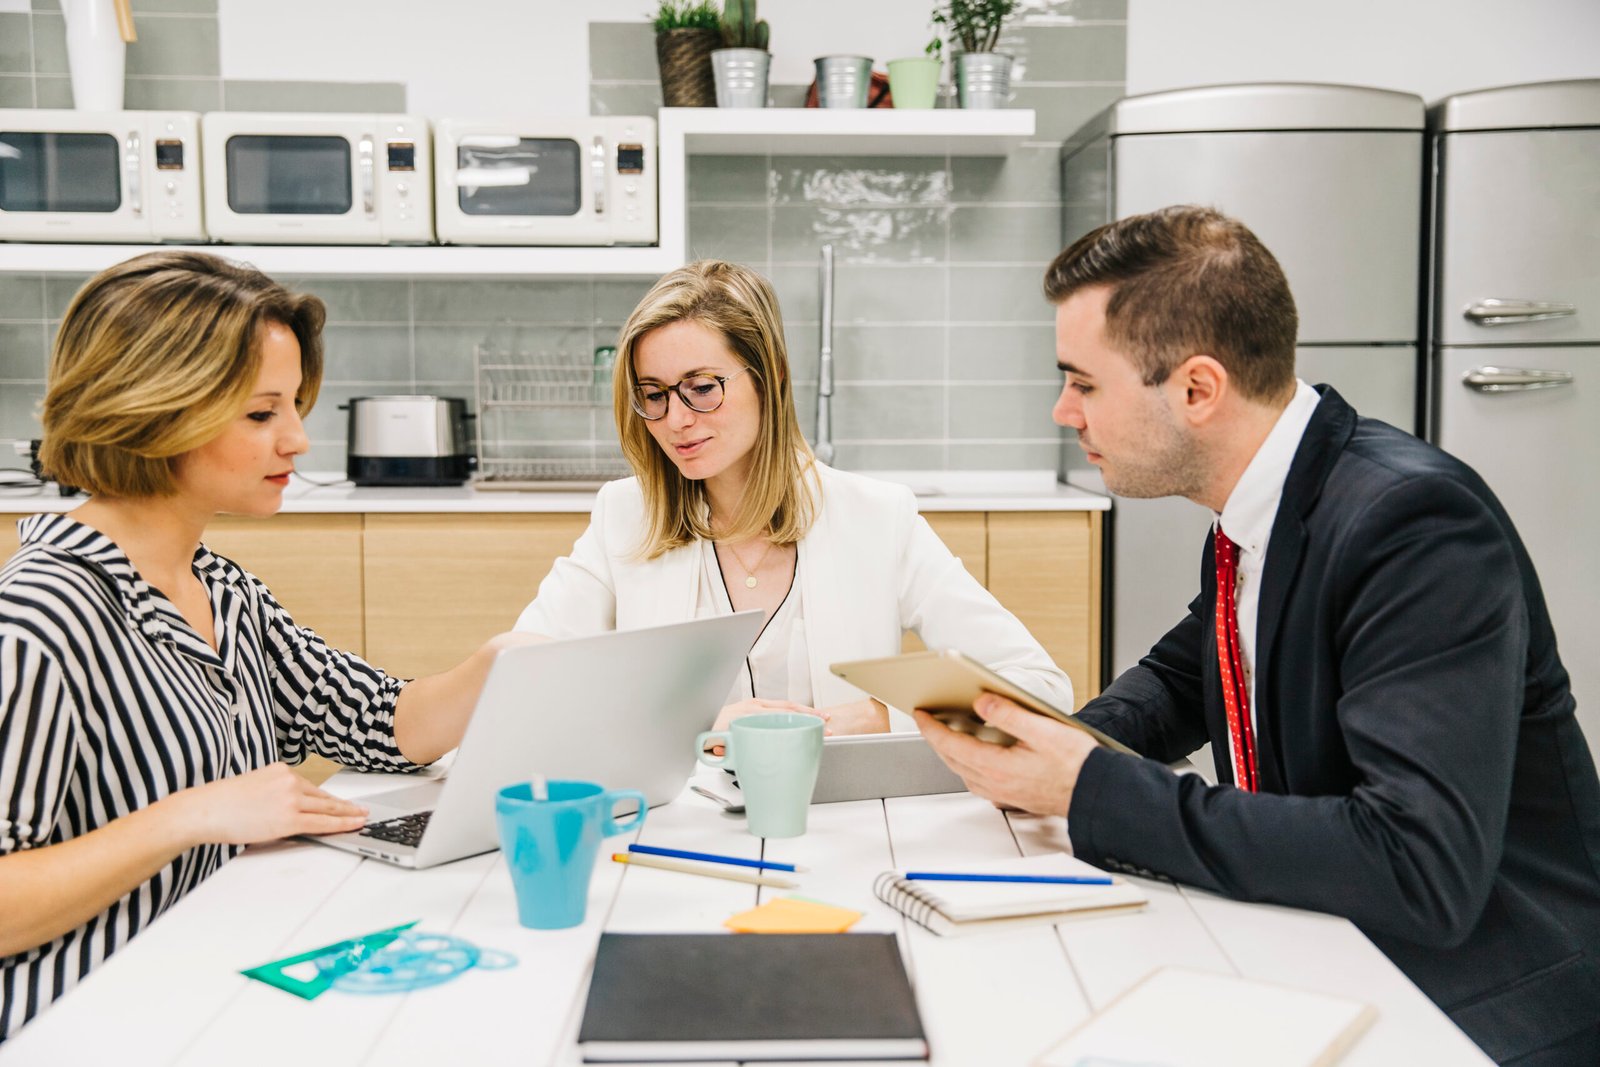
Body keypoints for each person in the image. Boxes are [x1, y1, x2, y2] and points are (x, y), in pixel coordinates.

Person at [916, 206, 1600, 1065]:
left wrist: (1086, 789)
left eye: (1084, 382)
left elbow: (1418, 863)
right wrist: (1041, 740)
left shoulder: (1415, 524)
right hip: (1341, 943)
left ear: (1198, 389)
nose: (1064, 410)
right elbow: (1188, 676)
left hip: (1493, 1005)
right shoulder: (1263, 509)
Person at [0, 252, 532, 1042]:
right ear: (152, 411)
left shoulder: (219, 587)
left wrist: (496, 667)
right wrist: (190, 815)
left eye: (295, 407)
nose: (299, 441)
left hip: (209, 970)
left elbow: (379, 722)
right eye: (261, 414)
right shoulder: (39, 614)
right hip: (89, 1017)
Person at [515, 259, 1072, 734]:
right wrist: (697, 724)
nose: (676, 420)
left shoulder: (878, 519)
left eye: (703, 388)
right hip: (678, 826)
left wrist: (881, 718)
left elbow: (1038, 689)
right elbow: (524, 686)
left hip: (845, 828)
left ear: (772, 377)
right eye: (654, 395)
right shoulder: (624, 517)